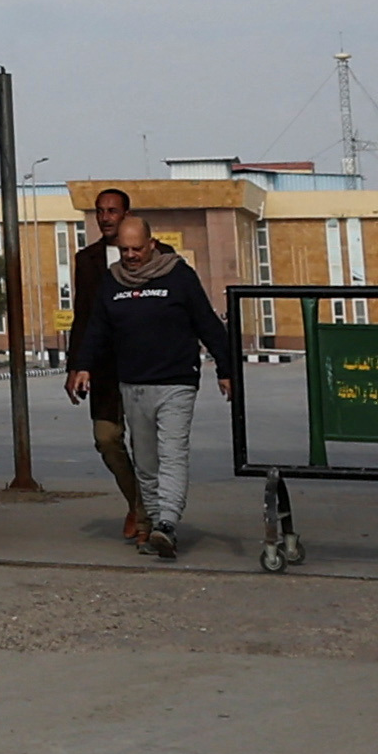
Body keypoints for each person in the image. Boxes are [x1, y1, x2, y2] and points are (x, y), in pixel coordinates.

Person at [69, 203, 242, 561]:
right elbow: (97, 327)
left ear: (152, 244)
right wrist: (83, 365)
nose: (131, 256)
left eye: (137, 249)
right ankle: (148, 521)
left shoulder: (178, 275)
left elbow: (207, 323)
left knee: (173, 454)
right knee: (146, 462)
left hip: (176, 382)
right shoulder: (112, 282)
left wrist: (226, 369)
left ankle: (167, 524)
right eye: (124, 250)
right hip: (133, 383)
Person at [57, 188, 149, 546]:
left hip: (146, 367)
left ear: (127, 214)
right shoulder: (88, 259)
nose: (106, 217)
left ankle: (146, 518)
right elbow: (83, 316)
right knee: (106, 438)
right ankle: (138, 504)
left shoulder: (160, 256)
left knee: (147, 446)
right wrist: (75, 365)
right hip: (106, 370)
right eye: (100, 211)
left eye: (113, 210)